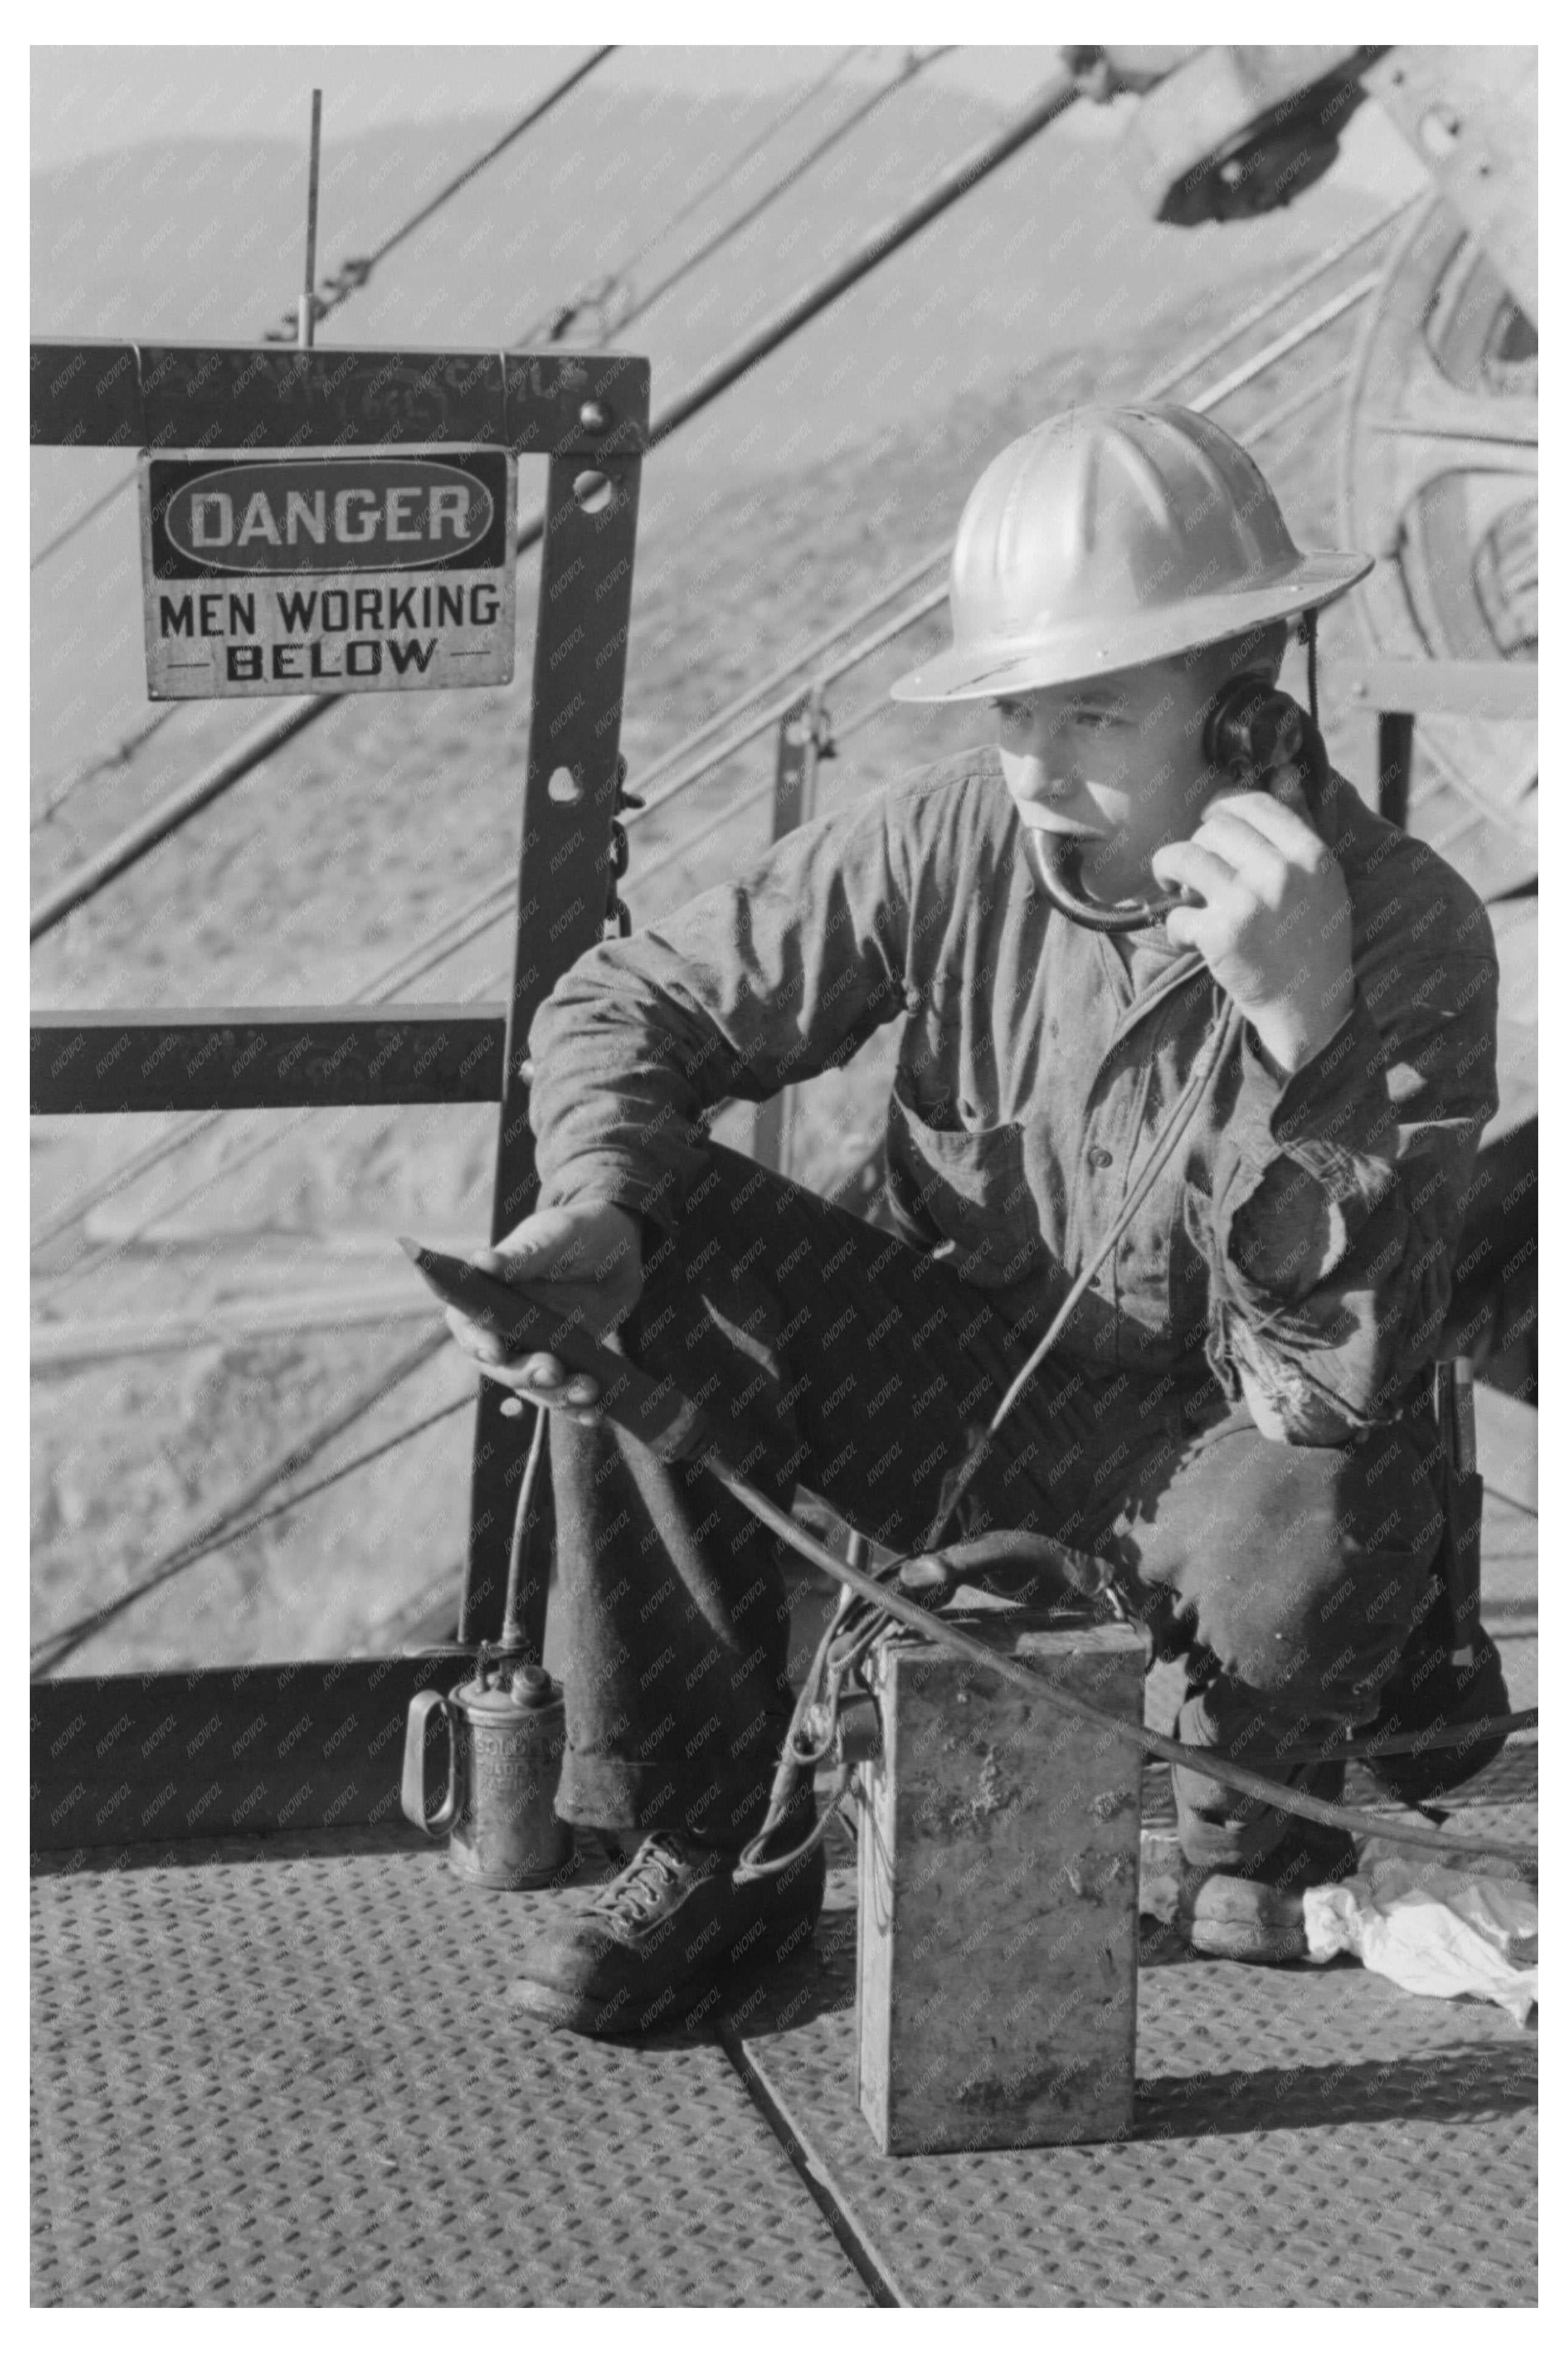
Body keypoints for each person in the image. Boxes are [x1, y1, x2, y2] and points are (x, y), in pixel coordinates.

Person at [444, 404, 1502, 2038]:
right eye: (1016, 706)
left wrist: (1309, 1044)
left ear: (1243, 706)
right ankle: (719, 1839)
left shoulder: (1405, 930)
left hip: (1230, 1457)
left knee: (1320, 1496)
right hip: (956, 1398)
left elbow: (1343, 1378)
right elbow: (625, 1002)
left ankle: (1247, 1819)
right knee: (654, 1253)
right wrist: (594, 1203)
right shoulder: (953, 839)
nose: (1035, 765)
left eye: (1091, 711)